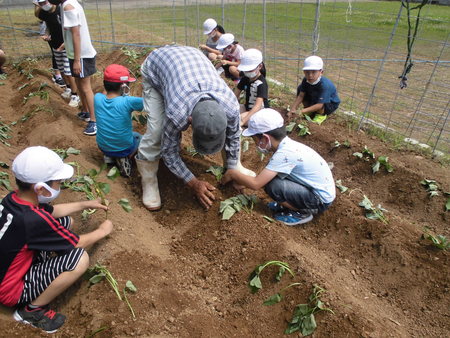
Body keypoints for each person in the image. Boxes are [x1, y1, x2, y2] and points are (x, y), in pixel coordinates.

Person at [0, 146, 113, 333]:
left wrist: (86, 203)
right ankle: (31, 311)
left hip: (6, 268)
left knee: (65, 222)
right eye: (58, 183)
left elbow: (53, 212)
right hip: (10, 290)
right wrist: (102, 230)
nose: (59, 186)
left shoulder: (13, 200)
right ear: (41, 189)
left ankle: (48, 269)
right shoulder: (33, 220)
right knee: (79, 258)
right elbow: (77, 243)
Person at [138, 45, 255, 211]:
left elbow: (234, 136)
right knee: (157, 132)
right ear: (190, 120)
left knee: (233, 163)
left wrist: (232, 169)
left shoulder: (230, 106)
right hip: (157, 66)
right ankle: (148, 181)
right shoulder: (177, 112)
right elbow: (169, 152)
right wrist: (193, 182)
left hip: (192, 60)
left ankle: (235, 166)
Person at [221, 108, 335, 226]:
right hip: (318, 191)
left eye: (255, 139)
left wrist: (232, 173)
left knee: (272, 185)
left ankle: (301, 212)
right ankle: (291, 204)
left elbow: (256, 184)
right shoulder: (288, 146)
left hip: (319, 200)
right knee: (271, 179)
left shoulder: (285, 154)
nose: (255, 143)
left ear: (265, 138)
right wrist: (243, 181)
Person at [51, 0, 97, 136]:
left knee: (85, 87)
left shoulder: (68, 7)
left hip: (81, 56)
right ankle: (86, 112)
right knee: (78, 83)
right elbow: (72, 33)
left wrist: (77, 60)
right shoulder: (69, 4)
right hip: (75, 54)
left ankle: (94, 122)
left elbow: (76, 34)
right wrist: (65, 45)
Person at [94, 64, 143, 177]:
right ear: (124, 86)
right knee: (140, 137)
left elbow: (105, 93)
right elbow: (149, 103)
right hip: (124, 148)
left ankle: (109, 157)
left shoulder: (97, 98)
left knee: (125, 135)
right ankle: (126, 157)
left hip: (103, 146)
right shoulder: (128, 101)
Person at [34, 0, 80, 108]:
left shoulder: (61, 10)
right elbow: (38, 15)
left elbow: (71, 29)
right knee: (62, 69)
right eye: (41, 3)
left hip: (65, 45)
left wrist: (66, 43)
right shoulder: (45, 14)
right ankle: (68, 88)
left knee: (68, 71)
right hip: (55, 44)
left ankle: (75, 95)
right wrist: (48, 34)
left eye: (44, 2)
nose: (44, 5)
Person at [290, 55, 340, 125]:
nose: (310, 75)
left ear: (321, 72)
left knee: (321, 105)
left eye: (314, 72)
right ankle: (310, 111)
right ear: (304, 72)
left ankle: (320, 115)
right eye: (307, 72)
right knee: (300, 88)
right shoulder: (305, 80)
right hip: (315, 97)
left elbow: (320, 105)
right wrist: (293, 108)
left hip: (329, 103)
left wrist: (301, 111)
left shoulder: (325, 85)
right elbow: (301, 96)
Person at [234, 49, 270, 126]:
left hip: (259, 113)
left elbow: (257, 106)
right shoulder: (245, 78)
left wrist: (244, 120)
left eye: (250, 70)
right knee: (230, 112)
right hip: (246, 109)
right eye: (245, 70)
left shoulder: (262, 83)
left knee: (238, 119)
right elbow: (235, 94)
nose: (247, 72)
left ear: (260, 66)